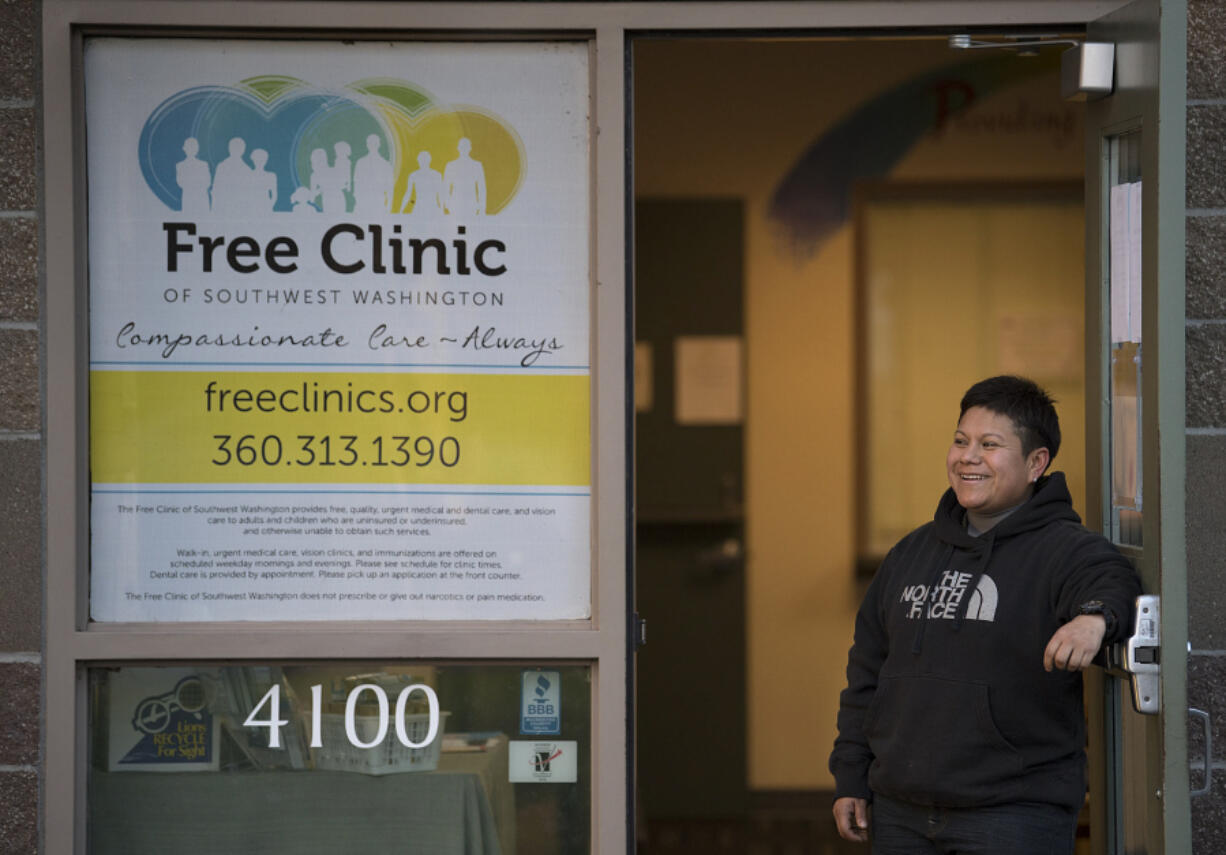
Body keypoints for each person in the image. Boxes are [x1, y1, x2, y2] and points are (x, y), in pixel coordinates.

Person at [829, 375, 1141, 855]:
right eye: (960, 441)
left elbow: (1113, 580)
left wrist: (1092, 620)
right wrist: (851, 774)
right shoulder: (910, 554)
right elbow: (867, 670)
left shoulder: (1064, 550)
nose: (967, 457)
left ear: (1037, 462)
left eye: (990, 445)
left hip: (1012, 815)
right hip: (900, 810)